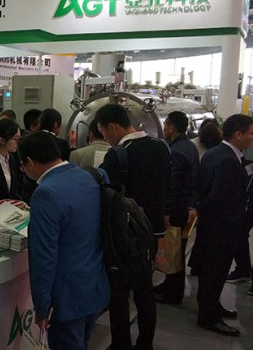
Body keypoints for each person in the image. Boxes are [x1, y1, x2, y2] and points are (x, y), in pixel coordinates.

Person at [18, 132, 109, 350]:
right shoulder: (93, 176)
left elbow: (44, 257)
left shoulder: (46, 193)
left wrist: (42, 307)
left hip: (66, 296)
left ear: (29, 162)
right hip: (95, 284)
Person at [96, 103, 170, 350]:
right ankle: (145, 343)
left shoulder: (118, 154)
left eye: (104, 132)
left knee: (119, 293)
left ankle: (121, 344)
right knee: (145, 290)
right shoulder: (161, 147)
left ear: (113, 127)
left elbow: (107, 193)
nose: (105, 138)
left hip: (125, 234)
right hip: (152, 232)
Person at [189, 114, 253, 337]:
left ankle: (213, 306)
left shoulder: (215, 152)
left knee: (211, 272)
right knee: (214, 273)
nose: (252, 138)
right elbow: (218, 196)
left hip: (213, 226)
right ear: (238, 134)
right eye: (251, 133)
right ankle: (208, 317)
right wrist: (199, 209)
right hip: (222, 228)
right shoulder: (227, 159)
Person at [154, 111, 199, 305]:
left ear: (171, 128)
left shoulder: (176, 151)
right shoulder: (188, 146)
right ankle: (169, 284)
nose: (164, 129)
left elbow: (174, 184)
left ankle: (173, 294)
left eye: (165, 126)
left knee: (174, 250)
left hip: (177, 209)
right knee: (176, 248)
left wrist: (167, 211)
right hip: (185, 206)